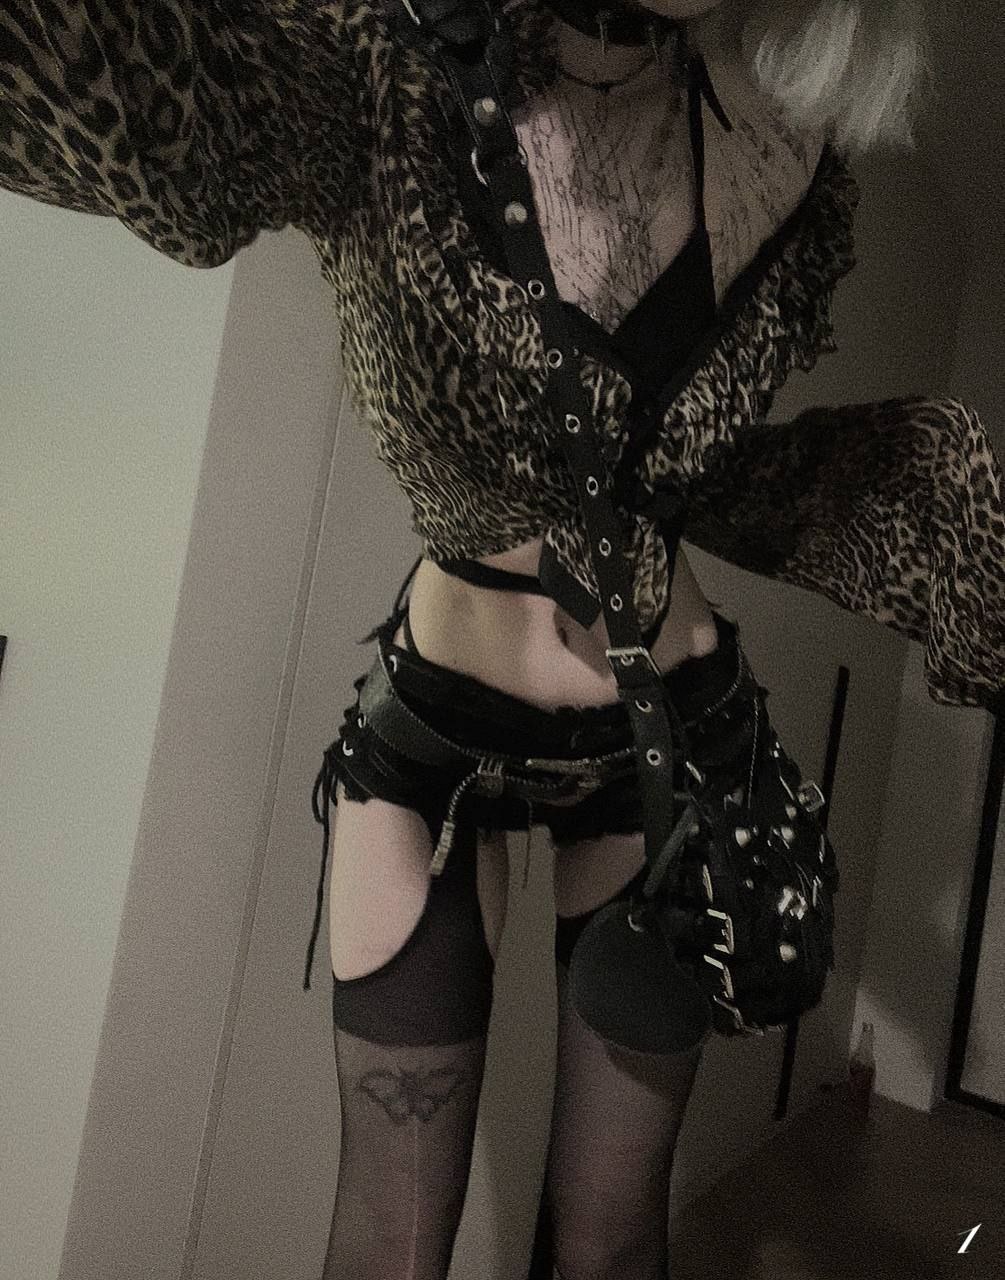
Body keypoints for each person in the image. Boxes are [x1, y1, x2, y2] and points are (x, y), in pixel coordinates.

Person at [4, 2, 1001, 1279]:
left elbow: (703, 469)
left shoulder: (784, 146)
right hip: (435, 739)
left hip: (666, 742)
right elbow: (157, 105)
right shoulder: (388, 58)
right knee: (390, 1236)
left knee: (614, 1238)